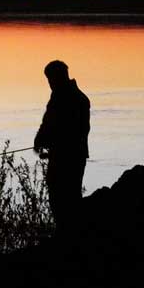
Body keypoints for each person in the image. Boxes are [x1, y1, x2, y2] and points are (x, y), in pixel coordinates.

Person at [34, 60, 90, 233]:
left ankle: (68, 235)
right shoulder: (63, 96)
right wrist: (40, 141)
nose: (49, 84)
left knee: (66, 196)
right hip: (66, 155)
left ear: (58, 78)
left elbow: (77, 130)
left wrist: (48, 143)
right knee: (62, 196)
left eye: (51, 80)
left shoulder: (72, 98)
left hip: (69, 157)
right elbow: (48, 123)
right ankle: (66, 232)